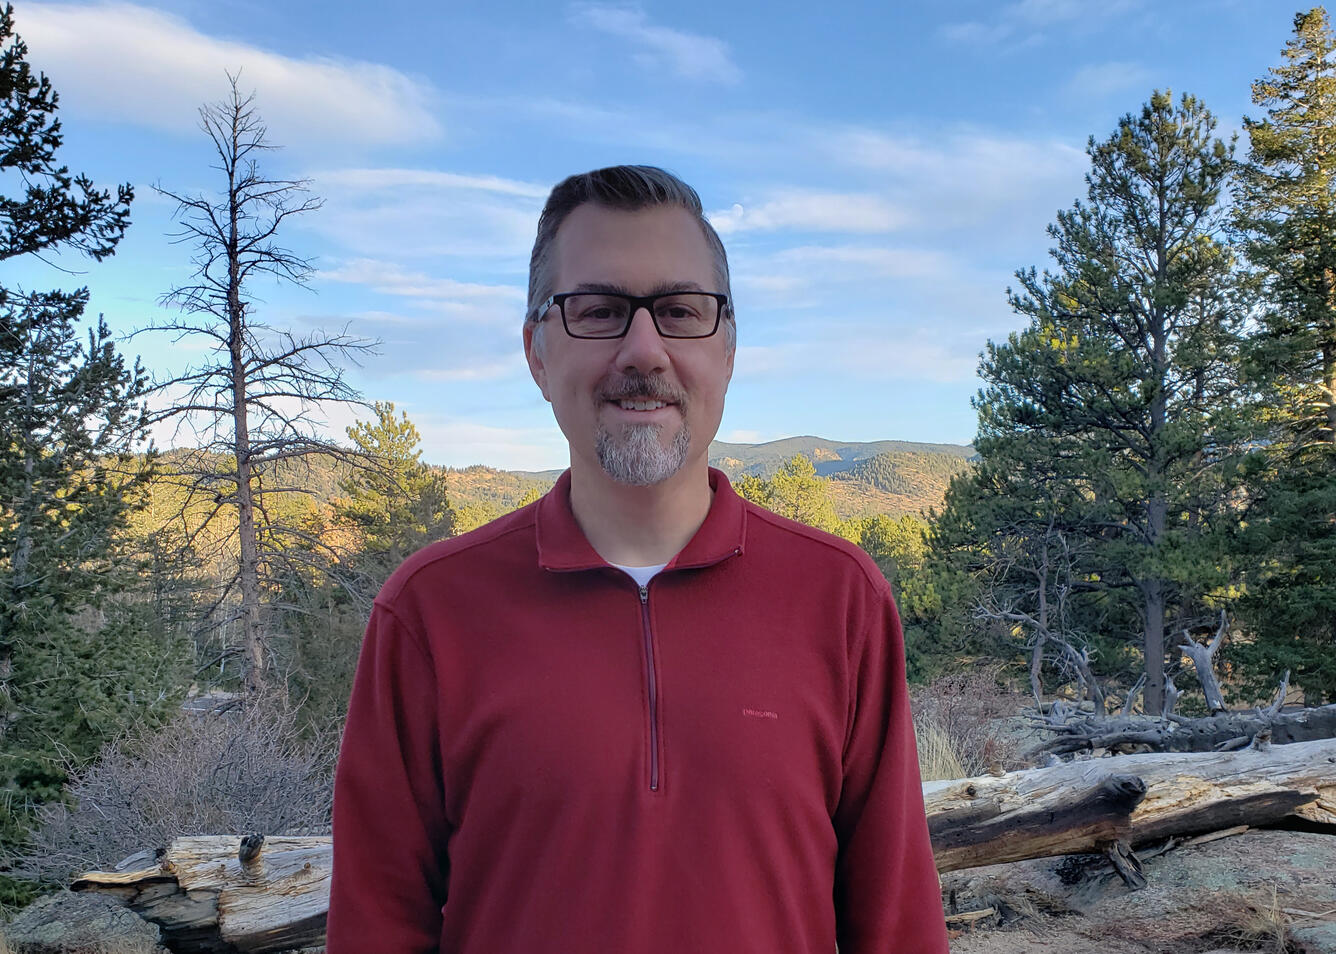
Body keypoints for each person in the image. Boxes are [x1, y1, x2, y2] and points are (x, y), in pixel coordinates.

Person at [326, 165, 949, 953]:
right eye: (600, 311)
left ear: (727, 350)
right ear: (537, 352)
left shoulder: (842, 600)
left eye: (681, 311)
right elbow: (377, 926)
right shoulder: (429, 613)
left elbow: (896, 925)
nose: (643, 350)